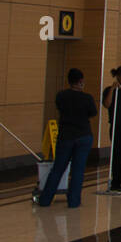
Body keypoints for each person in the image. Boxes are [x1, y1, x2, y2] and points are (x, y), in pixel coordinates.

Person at [34, 68, 96, 208]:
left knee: (58, 169)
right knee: (78, 171)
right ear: (81, 81)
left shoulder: (61, 96)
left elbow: (60, 108)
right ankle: (74, 202)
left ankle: (45, 200)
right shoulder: (87, 98)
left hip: (66, 136)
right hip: (84, 135)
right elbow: (92, 113)